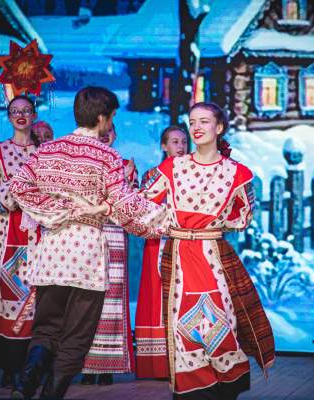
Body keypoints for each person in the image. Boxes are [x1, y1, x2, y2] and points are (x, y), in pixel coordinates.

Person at [8, 86, 169, 399]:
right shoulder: (107, 155)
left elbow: (19, 186)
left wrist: (57, 211)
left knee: (46, 326)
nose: (111, 123)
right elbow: (124, 205)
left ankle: (25, 383)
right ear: (101, 118)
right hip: (86, 254)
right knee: (77, 334)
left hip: (53, 251)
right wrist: (166, 218)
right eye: (112, 117)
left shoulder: (48, 149)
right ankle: (49, 395)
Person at [135, 102, 275, 398]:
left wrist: (209, 223)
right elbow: (144, 203)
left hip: (213, 256)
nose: (196, 127)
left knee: (221, 326)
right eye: (192, 121)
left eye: (204, 121)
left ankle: (226, 384)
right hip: (179, 255)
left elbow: (242, 218)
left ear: (219, 127)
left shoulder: (238, 173)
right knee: (182, 330)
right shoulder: (171, 167)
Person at [0, 95, 42, 389]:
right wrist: (16, 192)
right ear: (8, 116)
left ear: (35, 114)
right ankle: (9, 365)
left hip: (41, 232)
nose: (21, 115)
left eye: (26, 110)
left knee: (39, 295)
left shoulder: (45, 152)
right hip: (8, 231)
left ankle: (34, 364)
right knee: (8, 294)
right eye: (15, 111)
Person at [81, 123, 139, 386]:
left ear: (116, 135)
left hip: (114, 237)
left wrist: (125, 182)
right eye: (101, 130)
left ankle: (106, 366)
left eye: (110, 131)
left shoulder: (126, 165)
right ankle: (84, 365)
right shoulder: (84, 162)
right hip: (85, 236)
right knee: (85, 298)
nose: (105, 135)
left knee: (112, 300)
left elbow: (130, 205)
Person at [135, 126, 188, 379]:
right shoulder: (152, 175)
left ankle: (186, 358)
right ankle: (159, 363)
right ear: (164, 146)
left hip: (187, 242)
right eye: (175, 142)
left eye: (184, 142)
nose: (181, 146)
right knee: (158, 296)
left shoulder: (194, 174)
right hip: (159, 242)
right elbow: (145, 208)